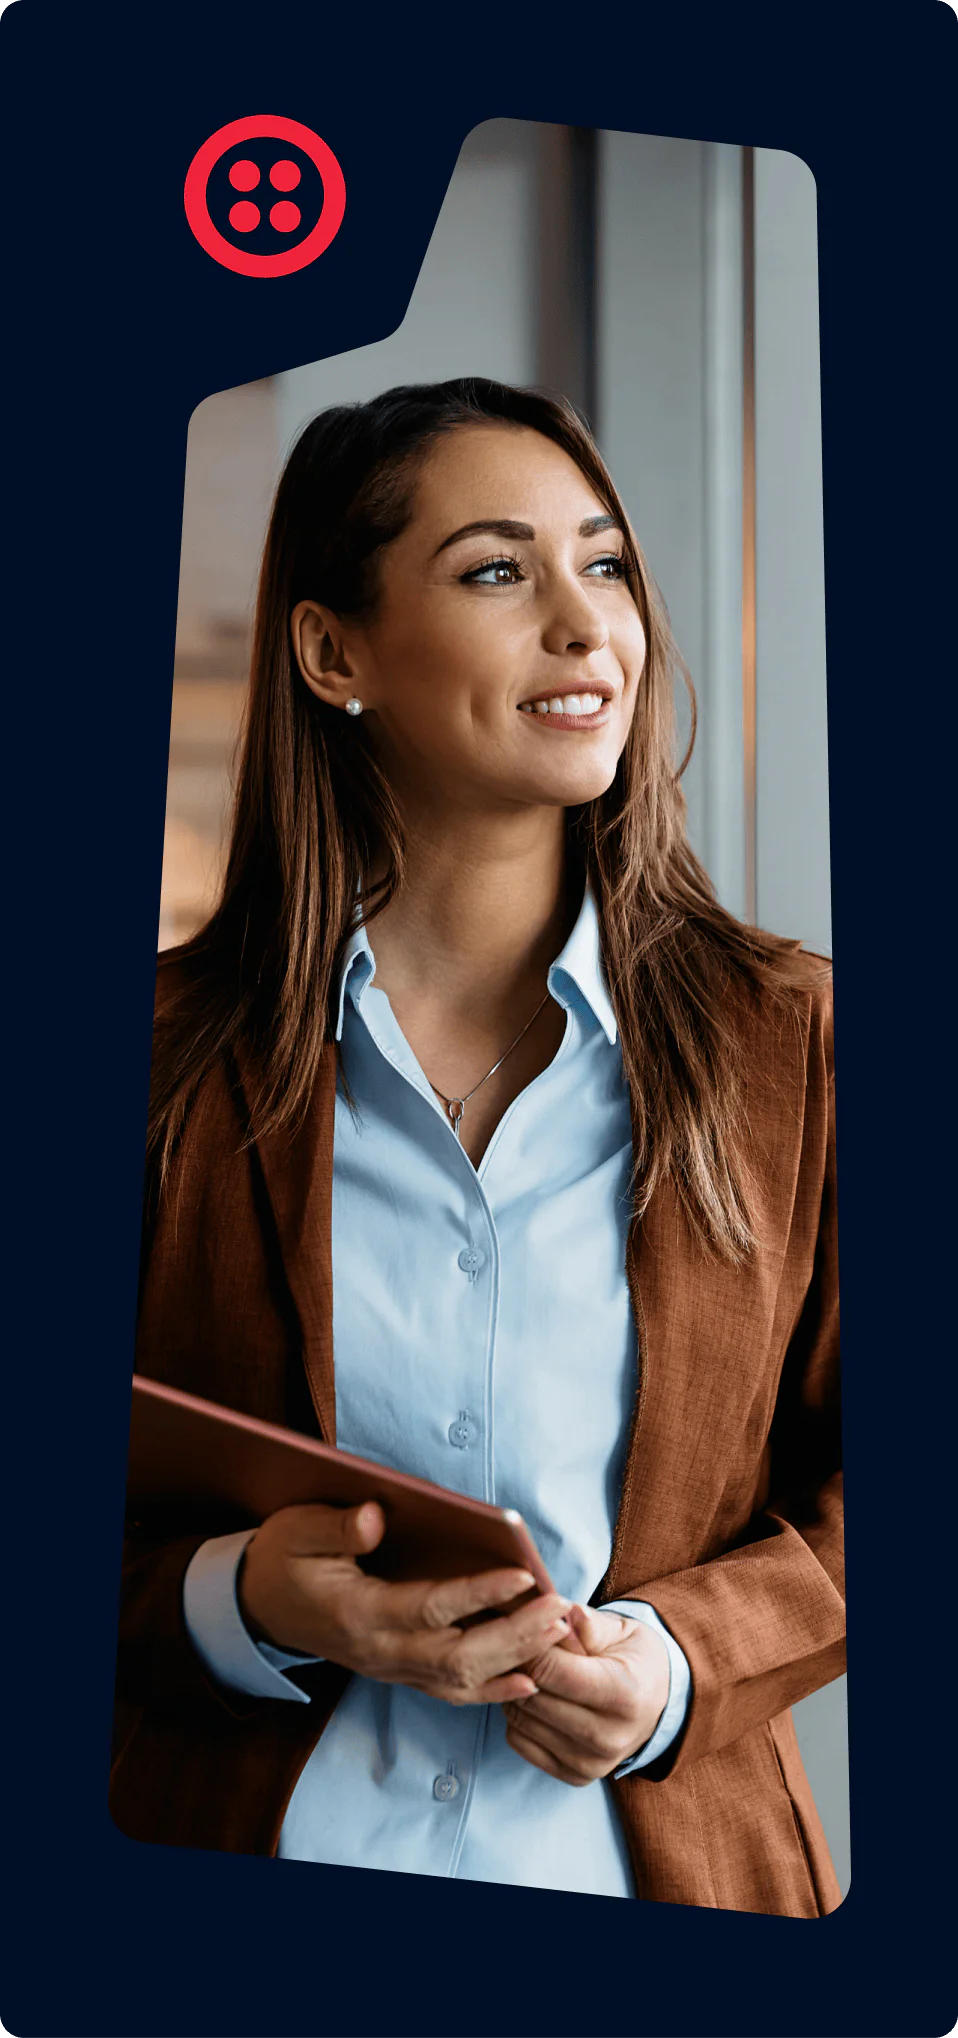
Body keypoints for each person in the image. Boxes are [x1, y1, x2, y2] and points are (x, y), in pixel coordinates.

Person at [113, 377, 843, 1915]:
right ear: (333, 652)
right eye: (498, 569)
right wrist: (231, 1597)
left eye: (606, 564)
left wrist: (670, 1665)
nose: (588, 628)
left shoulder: (802, 1044)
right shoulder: (156, 1059)